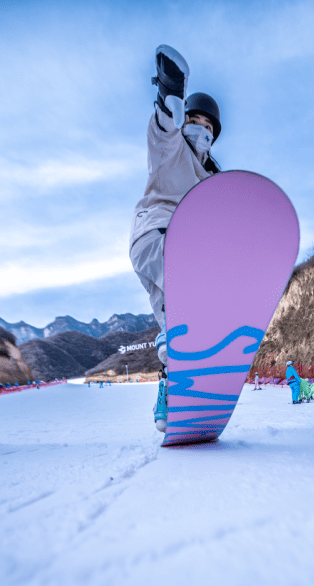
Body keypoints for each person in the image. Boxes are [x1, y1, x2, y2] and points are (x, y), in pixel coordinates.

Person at [130, 44, 223, 432]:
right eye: (194, 120)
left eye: (208, 126)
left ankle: (168, 400)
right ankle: (186, 350)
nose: (200, 129)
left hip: (152, 250)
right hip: (161, 233)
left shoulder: (213, 180)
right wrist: (171, 90)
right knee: (188, 307)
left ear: (214, 136)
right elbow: (165, 123)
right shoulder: (171, 148)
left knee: (171, 323)